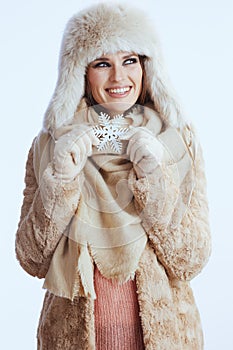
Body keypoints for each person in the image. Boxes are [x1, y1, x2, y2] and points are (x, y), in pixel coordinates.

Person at [15, 3, 211, 350]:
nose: (119, 78)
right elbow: (32, 257)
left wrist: (154, 178)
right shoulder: (52, 145)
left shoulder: (178, 142)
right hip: (73, 339)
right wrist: (61, 179)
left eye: (130, 60)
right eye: (102, 63)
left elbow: (191, 259)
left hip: (166, 338)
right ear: (81, 73)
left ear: (148, 67)